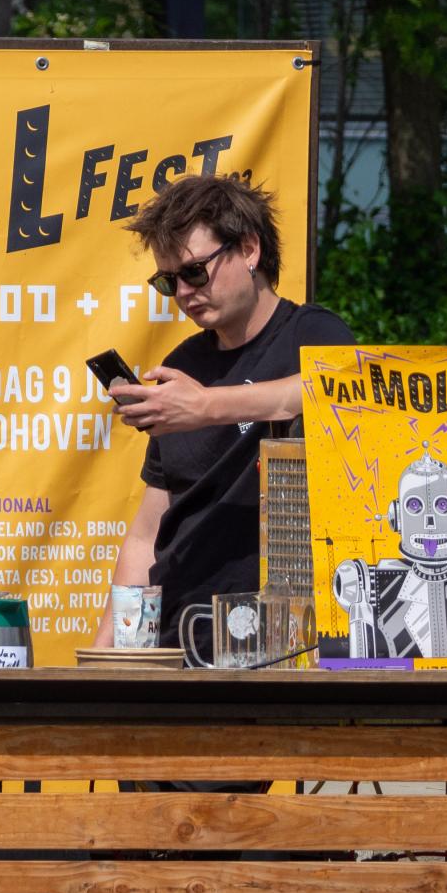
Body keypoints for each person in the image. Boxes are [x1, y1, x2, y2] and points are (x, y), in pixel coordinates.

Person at [99, 173, 354, 657]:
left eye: (195, 272)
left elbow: (332, 390)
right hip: (180, 638)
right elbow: (147, 534)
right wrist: (107, 654)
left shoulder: (314, 334)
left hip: (282, 641)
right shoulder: (183, 365)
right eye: (167, 281)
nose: (183, 292)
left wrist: (206, 407)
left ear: (250, 249)